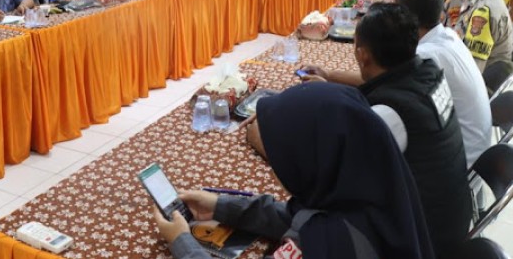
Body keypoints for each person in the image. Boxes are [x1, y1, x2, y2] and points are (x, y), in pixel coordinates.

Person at [154, 82, 435, 259]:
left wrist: (182, 243)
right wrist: (220, 206)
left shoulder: (326, 242)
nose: (275, 169)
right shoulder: (375, 190)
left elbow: (305, 225)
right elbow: (298, 215)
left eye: (281, 158)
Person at [300, 4, 472, 257]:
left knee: (311, 216)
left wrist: (261, 136)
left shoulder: (392, 113)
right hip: (452, 218)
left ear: (364, 55)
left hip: (426, 240)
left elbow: (326, 170)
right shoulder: (426, 70)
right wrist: (329, 80)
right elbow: (379, 87)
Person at [397, 0, 492, 167]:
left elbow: (385, 82)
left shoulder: (426, 55)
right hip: (475, 148)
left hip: (463, 162)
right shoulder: (448, 35)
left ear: (406, 18)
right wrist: (331, 75)